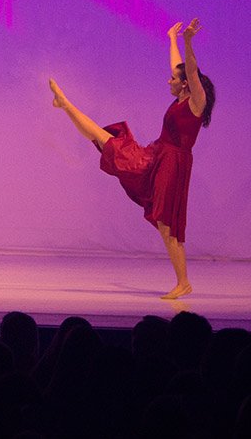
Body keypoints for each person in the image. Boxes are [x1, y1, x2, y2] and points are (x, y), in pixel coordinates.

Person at [49, 18, 215, 299]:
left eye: (174, 79)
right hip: (157, 156)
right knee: (108, 142)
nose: (169, 80)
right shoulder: (182, 95)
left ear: (186, 84)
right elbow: (179, 67)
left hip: (172, 165)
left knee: (166, 225)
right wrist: (172, 39)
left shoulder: (196, 102)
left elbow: (190, 69)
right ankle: (65, 105)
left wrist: (187, 42)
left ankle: (183, 282)